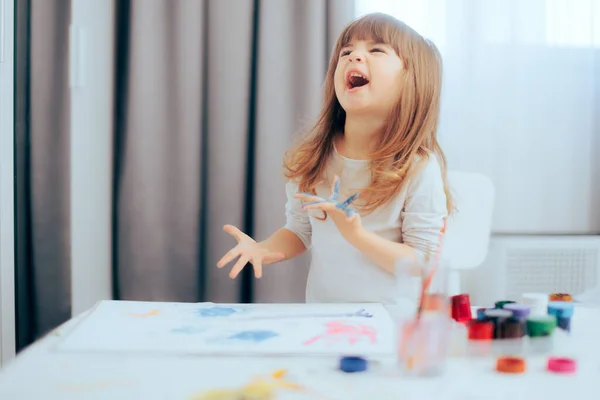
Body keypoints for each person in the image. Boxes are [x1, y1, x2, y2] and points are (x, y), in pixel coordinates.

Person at [217, 12, 453, 304]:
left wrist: (356, 235)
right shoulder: (314, 158)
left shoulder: (418, 167)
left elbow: (422, 262)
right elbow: (299, 231)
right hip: (323, 319)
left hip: (389, 327)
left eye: (376, 50)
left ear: (412, 81)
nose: (354, 57)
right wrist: (263, 249)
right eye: (346, 51)